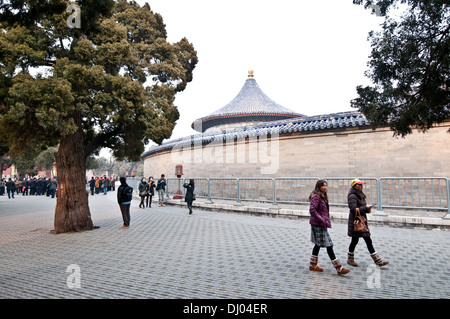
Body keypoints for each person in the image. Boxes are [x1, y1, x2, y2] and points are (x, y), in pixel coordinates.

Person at [309, 180, 350, 275]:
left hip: (320, 223)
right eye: (323, 186)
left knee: (318, 244)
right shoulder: (316, 196)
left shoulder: (322, 196)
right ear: (318, 186)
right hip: (318, 224)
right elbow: (312, 210)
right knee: (329, 245)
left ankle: (312, 265)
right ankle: (338, 267)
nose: (325, 187)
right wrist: (322, 220)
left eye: (326, 186)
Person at [347, 178, 389, 267]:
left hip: (362, 220)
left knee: (366, 240)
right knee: (356, 240)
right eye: (359, 185)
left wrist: (366, 210)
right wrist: (365, 208)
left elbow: (360, 207)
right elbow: (353, 209)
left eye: (362, 184)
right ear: (354, 186)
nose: (361, 186)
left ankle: (377, 260)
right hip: (356, 222)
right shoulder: (352, 196)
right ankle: (351, 259)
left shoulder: (360, 194)